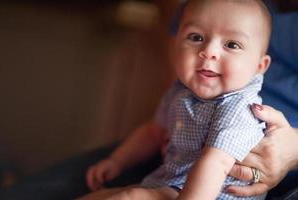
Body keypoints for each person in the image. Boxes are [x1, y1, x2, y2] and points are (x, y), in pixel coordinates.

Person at [80, 0, 273, 199]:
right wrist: (117, 161)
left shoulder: (239, 108)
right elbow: (153, 132)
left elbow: (215, 164)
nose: (209, 51)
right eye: (196, 37)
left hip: (212, 192)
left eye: (232, 44)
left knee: (130, 196)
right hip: (172, 181)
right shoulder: (180, 92)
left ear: (260, 65)